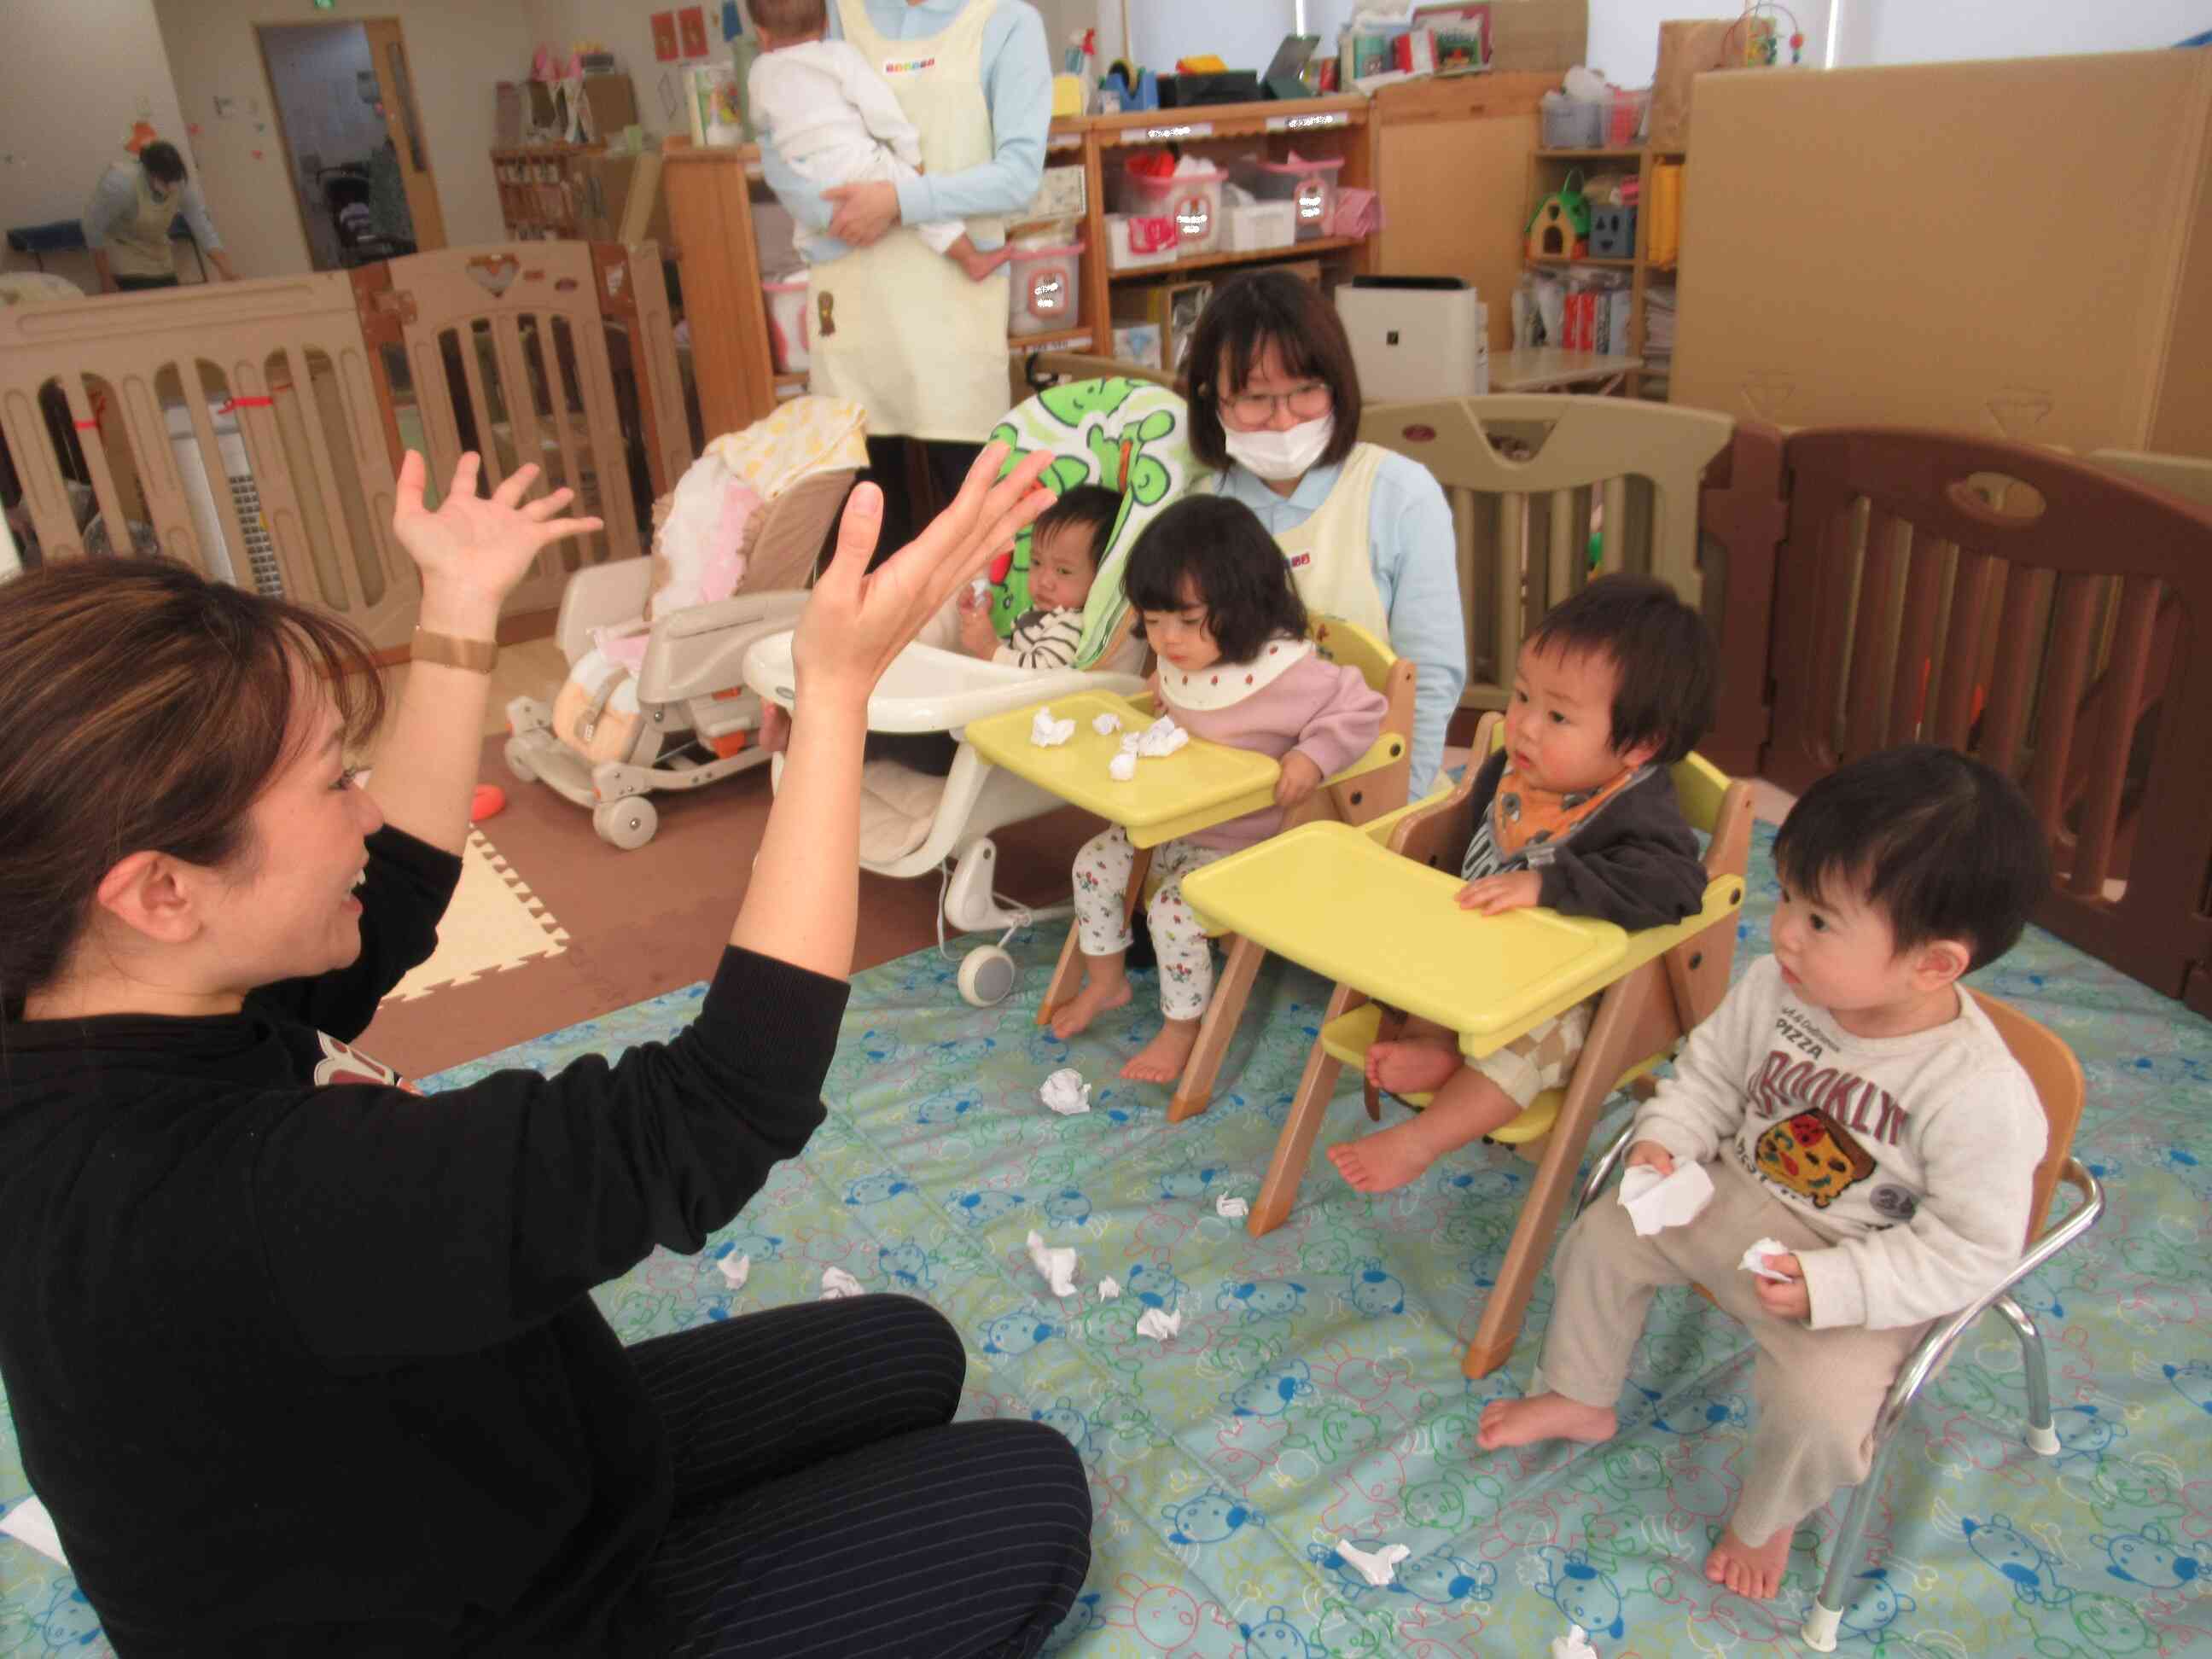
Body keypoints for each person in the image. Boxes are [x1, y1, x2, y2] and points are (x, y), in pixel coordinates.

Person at [0, 444, 1093, 1654]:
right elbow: (717, 1109)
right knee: (1033, 1496)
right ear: (160, 890)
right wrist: (835, 701)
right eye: (334, 782)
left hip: (447, 1480)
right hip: (478, 1624)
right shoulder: (237, 1198)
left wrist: (459, 603)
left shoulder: (96, 994)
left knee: (908, 1351)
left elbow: (390, 892)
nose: (369, 805)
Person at [1477, 745, 2053, 1602]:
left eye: (1820, 920)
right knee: (1603, 1236)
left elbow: (1971, 1251)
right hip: (1738, 1192)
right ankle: (1580, 1392)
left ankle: (1769, 1516)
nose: (1783, 931)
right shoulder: (1775, 985)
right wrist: (1669, 1138)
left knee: (1822, 1413)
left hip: (1860, 1272)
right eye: (1786, 896)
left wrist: (1836, 1285)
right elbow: (1709, 1076)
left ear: (1933, 965)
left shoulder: (1978, 1094)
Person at [1330, 574, 1715, 1194]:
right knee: (1411, 960)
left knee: (1531, 1049)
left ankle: (1420, 1140)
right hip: (1483, 957)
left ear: (1640, 746)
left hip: (1570, 994)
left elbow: (1676, 885)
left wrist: (1549, 885)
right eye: (1522, 696)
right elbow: (1466, 840)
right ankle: (1437, 1047)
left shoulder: (1639, 810)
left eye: (1558, 715)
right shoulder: (1514, 770)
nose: (1526, 727)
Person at [1051, 495, 1388, 1082]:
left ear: (1244, 605)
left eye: (1186, 622)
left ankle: (1182, 1030)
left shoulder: (1288, 674)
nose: (1168, 640)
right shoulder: (1186, 656)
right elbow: (1181, 692)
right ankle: (1106, 982)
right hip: (1170, 824)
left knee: (1171, 915)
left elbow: (1363, 709)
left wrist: (1312, 756)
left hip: (1248, 846)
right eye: (1153, 621)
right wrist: (1161, 694)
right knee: (1091, 865)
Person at [755, 0, 1051, 562]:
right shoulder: (833, 13)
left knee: (977, 539)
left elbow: (1018, 178)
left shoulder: (1006, 23)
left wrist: (897, 201)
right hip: (853, 311)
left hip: (952, 317)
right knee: (864, 539)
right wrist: (838, 217)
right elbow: (781, 148)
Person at [1187, 270, 1468, 798]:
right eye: (1254, 398)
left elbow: (1429, 679)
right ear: (1211, 399)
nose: (1283, 421)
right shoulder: (1196, 509)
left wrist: (1396, 808)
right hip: (1230, 794)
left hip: (1371, 785)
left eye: (1306, 391)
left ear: (1338, 385)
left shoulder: (1400, 494)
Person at [749, 0, 1009, 282]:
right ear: (826, 23)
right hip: (854, 161)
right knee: (916, 196)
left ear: (762, 34)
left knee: (813, 218)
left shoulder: (760, 73)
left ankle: (814, 249)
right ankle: (971, 259)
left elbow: (762, 123)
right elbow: (879, 108)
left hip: (806, 171)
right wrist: (911, 154)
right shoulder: (838, 56)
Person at [957, 481, 1117, 667]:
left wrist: (989, 648)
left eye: (1063, 571)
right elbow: (1017, 658)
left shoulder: (1070, 626)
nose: (1044, 581)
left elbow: (1038, 676)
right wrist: (978, 619)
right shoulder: (1039, 615)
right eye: (1037, 562)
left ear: (1100, 577)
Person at [83, 140, 237, 293]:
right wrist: (106, 279)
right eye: (165, 181)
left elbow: (201, 224)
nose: (171, 187)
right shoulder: (121, 184)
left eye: (174, 180)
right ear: (150, 172)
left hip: (157, 256)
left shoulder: (179, 182)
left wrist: (225, 268)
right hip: (122, 253)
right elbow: (92, 228)